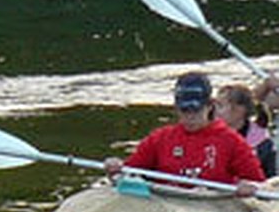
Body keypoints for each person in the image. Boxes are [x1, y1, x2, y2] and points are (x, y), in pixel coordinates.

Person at [104, 71, 264, 195]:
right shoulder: (159, 139)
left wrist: (250, 187)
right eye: (185, 110)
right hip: (165, 207)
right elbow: (128, 173)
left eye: (196, 110)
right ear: (176, 108)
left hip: (212, 210)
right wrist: (116, 169)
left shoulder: (231, 141)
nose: (190, 117)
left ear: (209, 106)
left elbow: (258, 183)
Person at [215, 82, 276, 178]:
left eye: (220, 106)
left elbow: (271, 179)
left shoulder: (263, 143)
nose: (215, 111)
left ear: (240, 110)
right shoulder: (209, 134)